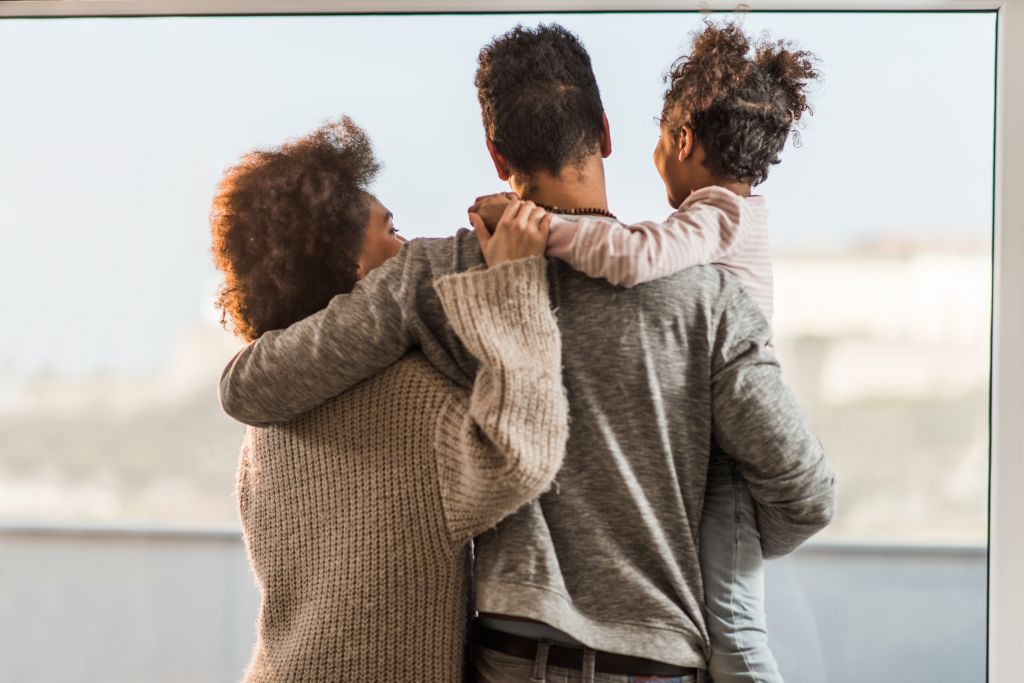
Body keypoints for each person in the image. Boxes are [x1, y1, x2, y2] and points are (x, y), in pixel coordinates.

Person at [219, 24, 837, 683]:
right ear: (603, 132)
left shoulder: (444, 271)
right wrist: (693, 543)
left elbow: (256, 388)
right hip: (655, 663)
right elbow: (806, 494)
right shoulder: (709, 295)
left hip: (509, 660)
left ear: (495, 153)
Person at [470, 21, 818, 682]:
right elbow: (808, 496)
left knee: (739, 635)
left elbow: (632, 255)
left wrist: (539, 228)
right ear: (603, 131)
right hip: (723, 464)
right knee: (733, 627)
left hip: (726, 464)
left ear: (682, 140)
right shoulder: (724, 237)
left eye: (662, 134)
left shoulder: (716, 216)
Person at [209, 117, 569, 681]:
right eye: (392, 231)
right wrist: (515, 288)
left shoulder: (266, 422)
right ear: (352, 265)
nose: (407, 247)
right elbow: (522, 456)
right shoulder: (411, 397)